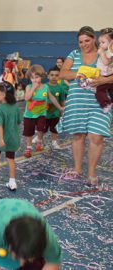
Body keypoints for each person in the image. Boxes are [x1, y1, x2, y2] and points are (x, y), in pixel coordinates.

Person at [57, 26, 113, 185]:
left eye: (87, 40)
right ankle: (77, 169)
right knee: (78, 135)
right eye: (80, 42)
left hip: (100, 102)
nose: (84, 44)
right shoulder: (74, 54)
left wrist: (104, 80)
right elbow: (62, 73)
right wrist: (78, 74)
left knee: (96, 136)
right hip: (77, 101)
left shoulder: (106, 55)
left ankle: (91, 172)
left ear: (94, 39)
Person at [0, 198, 61, 270]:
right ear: (9, 245)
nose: (21, 263)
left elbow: (53, 263)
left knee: (33, 266)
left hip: (23, 212)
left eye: (27, 258)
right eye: (18, 257)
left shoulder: (48, 240)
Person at [23, 64, 63, 158]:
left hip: (41, 113)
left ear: (41, 77)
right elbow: (26, 98)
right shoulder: (29, 87)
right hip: (29, 114)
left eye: (36, 77)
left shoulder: (45, 87)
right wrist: (33, 88)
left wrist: (59, 107)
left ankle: (39, 142)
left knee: (41, 129)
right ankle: (29, 147)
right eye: (32, 78)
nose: (34, 80)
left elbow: (52, 98)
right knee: (29, 131)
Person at [0, 82, 22, 191]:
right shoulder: (16, 108)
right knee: (11, 160)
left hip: (0, 138)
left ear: (2, 94)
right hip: (13, 138)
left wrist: (0, 138)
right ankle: (12, 182)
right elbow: (18, 122)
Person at [43, 66, 68, 149]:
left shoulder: (60, 88)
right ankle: (39, 138)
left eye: (56, 75)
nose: (54, 77)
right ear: (48, 75)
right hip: (44, 113)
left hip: (55, 113)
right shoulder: (43, 87)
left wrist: (63, 109)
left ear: (59, 76)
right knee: (43, 128)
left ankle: (54, 142)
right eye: (52, 75)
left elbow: (62, 100)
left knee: (54, 129)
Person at [93, 28, 113, 113]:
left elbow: (106, 62)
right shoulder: (105, 51)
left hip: (107, 76)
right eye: (99, 42)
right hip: (104, 75)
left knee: (99, 91)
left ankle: (106, 103)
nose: (100, 45)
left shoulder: (109, 52)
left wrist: (101, 53)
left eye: (103, 42)